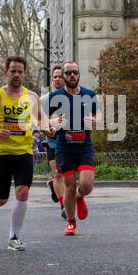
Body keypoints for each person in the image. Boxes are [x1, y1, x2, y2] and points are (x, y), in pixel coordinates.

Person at [0, 56, 52, 251]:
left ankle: (14, 236)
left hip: (23, 153)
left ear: (24, 73)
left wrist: (48, 128)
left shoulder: (32, 97)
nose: (17, 75)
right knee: (2, 200)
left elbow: (40, 119)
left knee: (23, 192)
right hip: (1, 153)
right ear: (6, 73)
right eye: (13, 71)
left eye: (20, 71)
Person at [48, 61, 101, 236]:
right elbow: (41, 119)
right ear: (63, 76)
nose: (72, 75)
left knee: (86, 185)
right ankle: (71, 223)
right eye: (68, 72)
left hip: (84, 147)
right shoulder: (56, 97)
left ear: (79, 75)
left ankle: (80, 197)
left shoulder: (89, 94)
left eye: (75, 72)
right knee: (69, 187)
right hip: (64, 149)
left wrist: (95, 121)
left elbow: (98, 115)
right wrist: (54, 123)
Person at [40, 65, 66, 218]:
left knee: (68, 175)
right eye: (55, 76)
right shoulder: (46, 99)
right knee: (57, 174)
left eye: (60, 76)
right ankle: (63, 206)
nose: (57, 79)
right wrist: (46, 128)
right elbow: (39, 120)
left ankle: (53, 187)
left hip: (69, 140)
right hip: (52, 140)